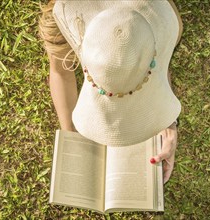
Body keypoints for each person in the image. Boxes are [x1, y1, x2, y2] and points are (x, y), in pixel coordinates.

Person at [39, 0, 183, 183]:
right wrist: (71, 137)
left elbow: (159, 65)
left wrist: (168, 123)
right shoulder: (64, 22)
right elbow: (60, 71)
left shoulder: (165, 20)